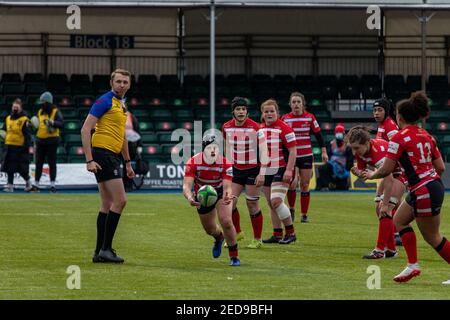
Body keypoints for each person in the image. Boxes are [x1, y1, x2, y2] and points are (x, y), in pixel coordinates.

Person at [363, 91, 449, 283]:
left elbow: (386, 169)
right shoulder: (427, 135)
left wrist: (371, 175)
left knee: (433, 237)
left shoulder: (398, 138)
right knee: (399, 220)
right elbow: (441, 167)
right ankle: (412, 266)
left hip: (423, 189)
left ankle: (413, 265)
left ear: (399, 117)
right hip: (430, 185)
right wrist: (426, 182)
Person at [81, 68, 135, 263]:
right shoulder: (104, 100)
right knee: (120, 201)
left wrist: (128, 162)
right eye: (118, 81)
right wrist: (89, 160)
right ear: (111, 83)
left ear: (129, 85)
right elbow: (86, 129)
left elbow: (122, 137)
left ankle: (99, 252)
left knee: (106, 203)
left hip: (111, 155)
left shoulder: (122, 105)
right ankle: (106, 249)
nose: (122, 85)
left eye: (125, 82)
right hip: (103, 154)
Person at [345, 126, 406, 259]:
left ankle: (379, 250)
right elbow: (366, 174)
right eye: (352, 148)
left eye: (356, 148)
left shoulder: (378, 152)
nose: (354, 152)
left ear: (366, 143)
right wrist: (358, 173)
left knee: (385, 208)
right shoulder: (362, 152)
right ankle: (391, 250)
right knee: (379, 210)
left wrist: (385, 203)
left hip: (401, 174)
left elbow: (389, 179)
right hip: (388, 175)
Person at [182, 134, 240, 266]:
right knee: (209, 229)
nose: (213, 151)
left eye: (216, 147)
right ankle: (219, 237)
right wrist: (190, 197)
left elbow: (227, 187)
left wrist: (227, 195)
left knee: (226, 221)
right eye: (209, 148)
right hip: (202, 196)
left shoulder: (225, 163)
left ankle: (234, 256)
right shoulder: (193, 162)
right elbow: (186, 186)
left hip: (220, 193)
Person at [222, 97, 267, 249]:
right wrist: (226, 169)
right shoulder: (226, 127)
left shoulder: (256, 128)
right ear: (233, 111)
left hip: (253, 170)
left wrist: (262, 173)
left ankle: (258, 239)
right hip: (235, 170)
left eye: (243, 109)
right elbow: (227, 149)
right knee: (230, 202)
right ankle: (237, 233)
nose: (241, 112)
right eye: (238, 109)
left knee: (252, 203)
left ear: (247, 111)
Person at [281, 92, 328, 223]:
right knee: (292, 183)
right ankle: (291, 209)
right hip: (292, 156)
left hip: (306, 155)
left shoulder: (310, 118)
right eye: (294, 102)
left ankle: (304, 214)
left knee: (305, 184)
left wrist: (323, 151)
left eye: (298, 102)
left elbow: (318, 135)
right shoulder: (284, 119)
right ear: (290, 104)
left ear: (303, 104)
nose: (296, 104)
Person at [259, 99, 297, 244]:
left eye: (272, 111)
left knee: (276, 201)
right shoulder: (260, 129)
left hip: (281, 169)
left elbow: (293, 151)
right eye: (266, 111)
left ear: (277, 113)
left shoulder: (285, 128)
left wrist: (289, 170)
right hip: (266, 169)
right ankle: (277, 233)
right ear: (262, 114)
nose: (269, 114)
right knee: (270, 203)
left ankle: (291, 232)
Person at [373, 97, 403, 246]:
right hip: (387, 172)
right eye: (375, 110)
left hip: (396, 172)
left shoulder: (390, 126)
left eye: (380, 110)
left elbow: (397, 148)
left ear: (387, 111)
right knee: (380, 206)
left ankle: (395, 236)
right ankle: (394, 236)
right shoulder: (382, 125)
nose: (376, 113)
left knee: (384, 206)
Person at [29, 91, 64, 193]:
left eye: (43, 102)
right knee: (38, 163)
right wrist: (31, 125)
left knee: (51, 163)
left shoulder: (55, 111)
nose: (42, 104)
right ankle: (36, 184)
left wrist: (52, 122)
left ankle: (52, 185)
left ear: (48, 103)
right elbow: (37, 125)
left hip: (52, 140)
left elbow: (61, 123)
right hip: (40, 140)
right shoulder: (40, 112)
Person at [1, 98, 32, 192]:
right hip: (8, 146)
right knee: (9, 167)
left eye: (16, 107)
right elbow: (3, 131)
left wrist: (25, 147)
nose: (14, 109)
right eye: (13, 107)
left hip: (20, 147)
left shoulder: (24, 119)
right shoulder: (7, 118)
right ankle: (10, 186)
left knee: (21, 168)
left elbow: (27, 135)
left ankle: (28, 182)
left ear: (20, 108)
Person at [315, 123, 353, 191]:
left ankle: (335, 183)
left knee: (342, 188)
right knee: (322, 168)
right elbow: (329, 155)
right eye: (337, 132)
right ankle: (327, 184)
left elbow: (350, 160)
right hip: (332, 165)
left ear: (343, 133)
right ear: (335, 133)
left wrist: (347, 170)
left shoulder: (347, 146)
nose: (339, 134)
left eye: (340, 132)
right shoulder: (332, 144)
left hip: (342, 168)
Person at [123, 110, 143, 192]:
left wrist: (139, 145)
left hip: (130, 145)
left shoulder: (131, 117)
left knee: (127, 166)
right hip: (117, 144)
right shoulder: (113, 115)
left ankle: (128, 185)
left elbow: (137, 131)